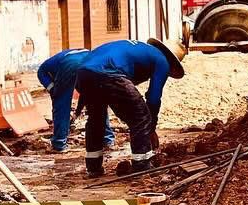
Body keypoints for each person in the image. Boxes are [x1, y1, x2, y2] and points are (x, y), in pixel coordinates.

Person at [75, 36, 187, 176]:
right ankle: (142, 163)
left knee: (96, 118)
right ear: (172, 62)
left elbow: (119, 98)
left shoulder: (142, 50)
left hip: (83, 74)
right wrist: (150, 128)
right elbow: (153, 98)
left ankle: (93, 166)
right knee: (141, 116)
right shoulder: (162, 61)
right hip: (109, 73)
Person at [36, 47, 111, 153]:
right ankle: (107, 139)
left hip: (71, 62)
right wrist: (76, 112)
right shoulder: (55, 63)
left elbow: (56, 94)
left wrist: (55, 93)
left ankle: (59, 143)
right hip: (91, 58)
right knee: (97, 101)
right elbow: (84, 95)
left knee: (61, 104)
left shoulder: (43, 71)